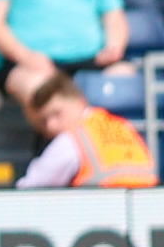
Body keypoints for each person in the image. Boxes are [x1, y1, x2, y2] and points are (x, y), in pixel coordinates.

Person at [16, 73, 158, 188]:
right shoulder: (123, 127)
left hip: (101, 213)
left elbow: (32, 187)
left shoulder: (72, 139)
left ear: (80, 102)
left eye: (56, 113)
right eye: (44, 121)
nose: (51, 125)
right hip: (144, 210)